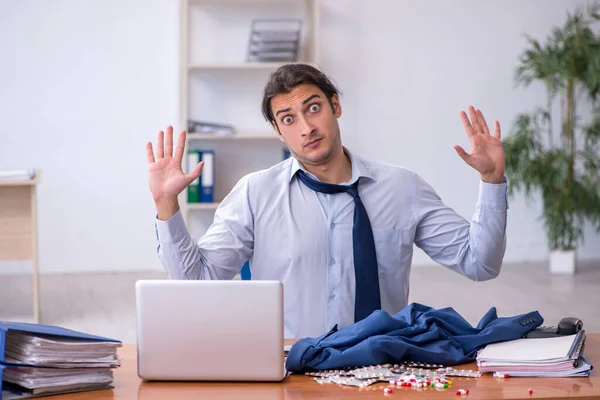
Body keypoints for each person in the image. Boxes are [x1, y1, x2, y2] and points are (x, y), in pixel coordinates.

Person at [146, 63, 508, 339]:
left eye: (313, 108)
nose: (306, 127)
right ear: (278, 130)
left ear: (335, 105)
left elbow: (479, 262)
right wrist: (166, 205)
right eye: (288, 118)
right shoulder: (255, 194)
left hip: (383, 363)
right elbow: (198, 279)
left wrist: (491, 181)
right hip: (291, 368)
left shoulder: (402, 188)